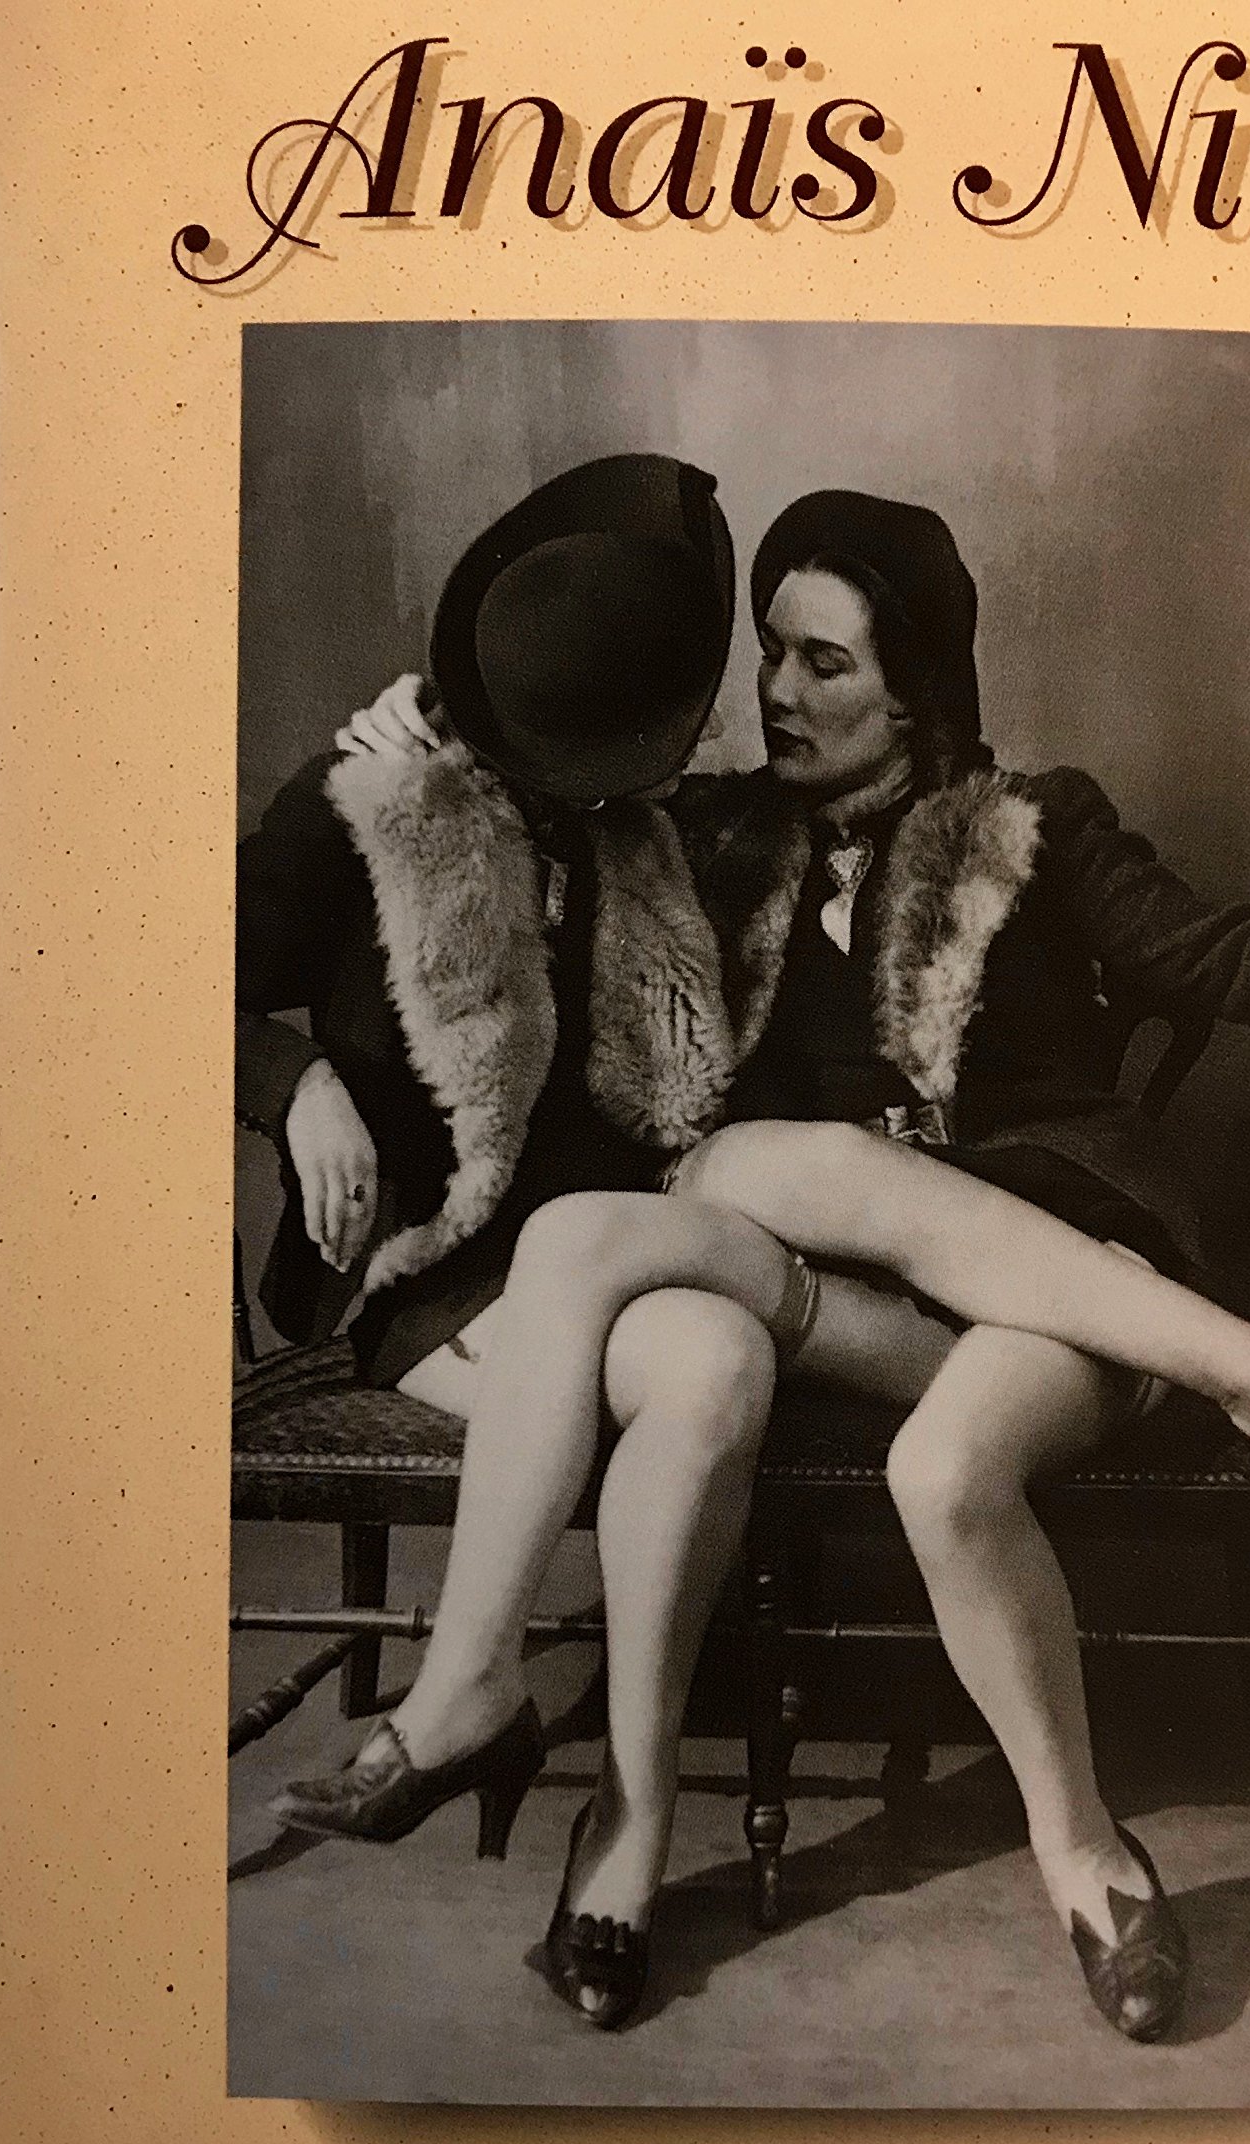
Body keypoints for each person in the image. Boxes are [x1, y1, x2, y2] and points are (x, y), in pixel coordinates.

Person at [278, 487, 1250, 2046]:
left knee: (941, 1468)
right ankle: (497, 1709)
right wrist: (424, 744)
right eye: (770, 655)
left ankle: (1082, 1850)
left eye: (825, 663)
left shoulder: (1032, 822)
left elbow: (1233, 958)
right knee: (655, 1205)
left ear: (911, 684)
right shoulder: (717, 842)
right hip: (865, 1292)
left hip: (1070, 1283)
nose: (778, 691)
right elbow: (541, 797)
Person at [237, 453, 802, 1897]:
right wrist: (295, 1085)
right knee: (716, 1372)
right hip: (435, 1265)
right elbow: (144, 968)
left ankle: (596, 1791)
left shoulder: (651, 832)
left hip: (611, 1251)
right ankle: (525, 1742)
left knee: (723, 1357)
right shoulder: (363, 806)